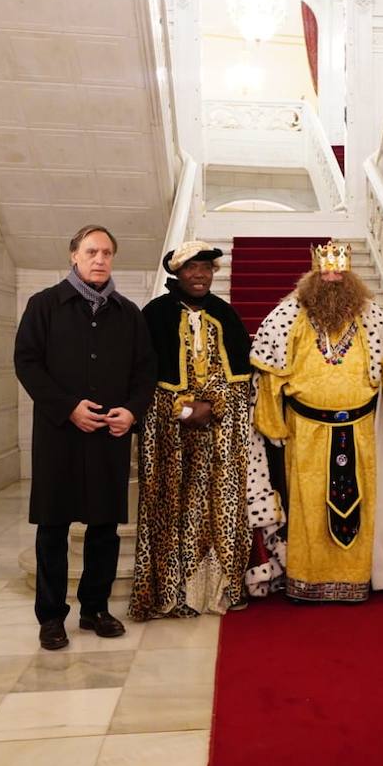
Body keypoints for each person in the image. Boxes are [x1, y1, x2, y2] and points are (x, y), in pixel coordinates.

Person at [14, 225, 155, 649]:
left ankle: (94, 609)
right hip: (60, 436)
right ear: (74, 256)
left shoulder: (128, 313)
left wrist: (131, 411)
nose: (100, 260)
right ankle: (52, 617)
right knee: (53, 529)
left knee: (103, 528)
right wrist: (68, 407)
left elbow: (145, 370)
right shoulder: (44, 306)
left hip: (109, 436)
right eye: (92, 251)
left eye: (107, 253)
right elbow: (27, 362)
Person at [251, 242, 383, 602]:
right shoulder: (289, 313)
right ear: (313, 274)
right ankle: (307, 581)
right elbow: (268, 371)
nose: (332, 278)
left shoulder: (370, 315)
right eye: (326, 271)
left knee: (361, 504)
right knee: (309, 506)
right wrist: (272, 424)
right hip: (306, 431)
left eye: (339, 272)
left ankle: (355, 581)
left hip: (359, 430)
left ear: (350, 275)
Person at [130, 241, 256, 619]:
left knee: (217, 509)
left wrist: (211, 405)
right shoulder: (153, 315)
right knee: (172, 508)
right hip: (168, 433)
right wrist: (181, 408)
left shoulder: (226, 314)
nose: (199, 275)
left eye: (206, 268)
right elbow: (143, 373)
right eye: (190, 268)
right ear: (177, 272)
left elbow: (238, 376)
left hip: (217, 434)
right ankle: (172, 595)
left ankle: (216, 592)